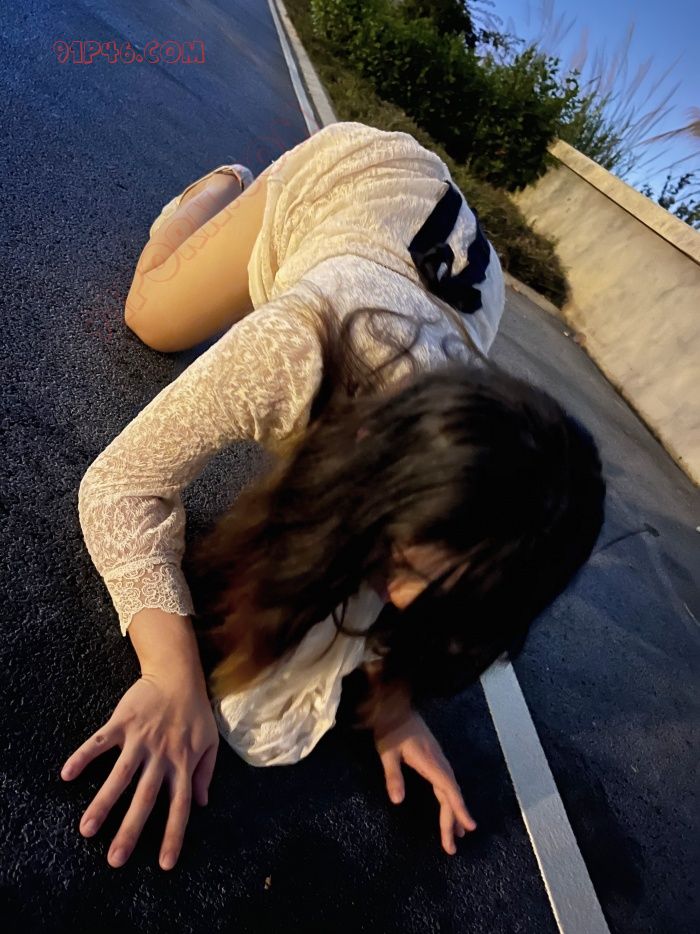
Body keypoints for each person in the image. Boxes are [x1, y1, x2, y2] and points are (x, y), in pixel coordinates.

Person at [61, 122, 606, 874]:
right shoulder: (296, 349)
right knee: (150, 318)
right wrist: (170, 671)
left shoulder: (483, 481)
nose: (399, 599)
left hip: (449, 287)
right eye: (402, 567)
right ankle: (223, 191)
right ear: (376, 461)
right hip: (347, 177)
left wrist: (393, 706)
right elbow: (119, 485)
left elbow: (431, 592)